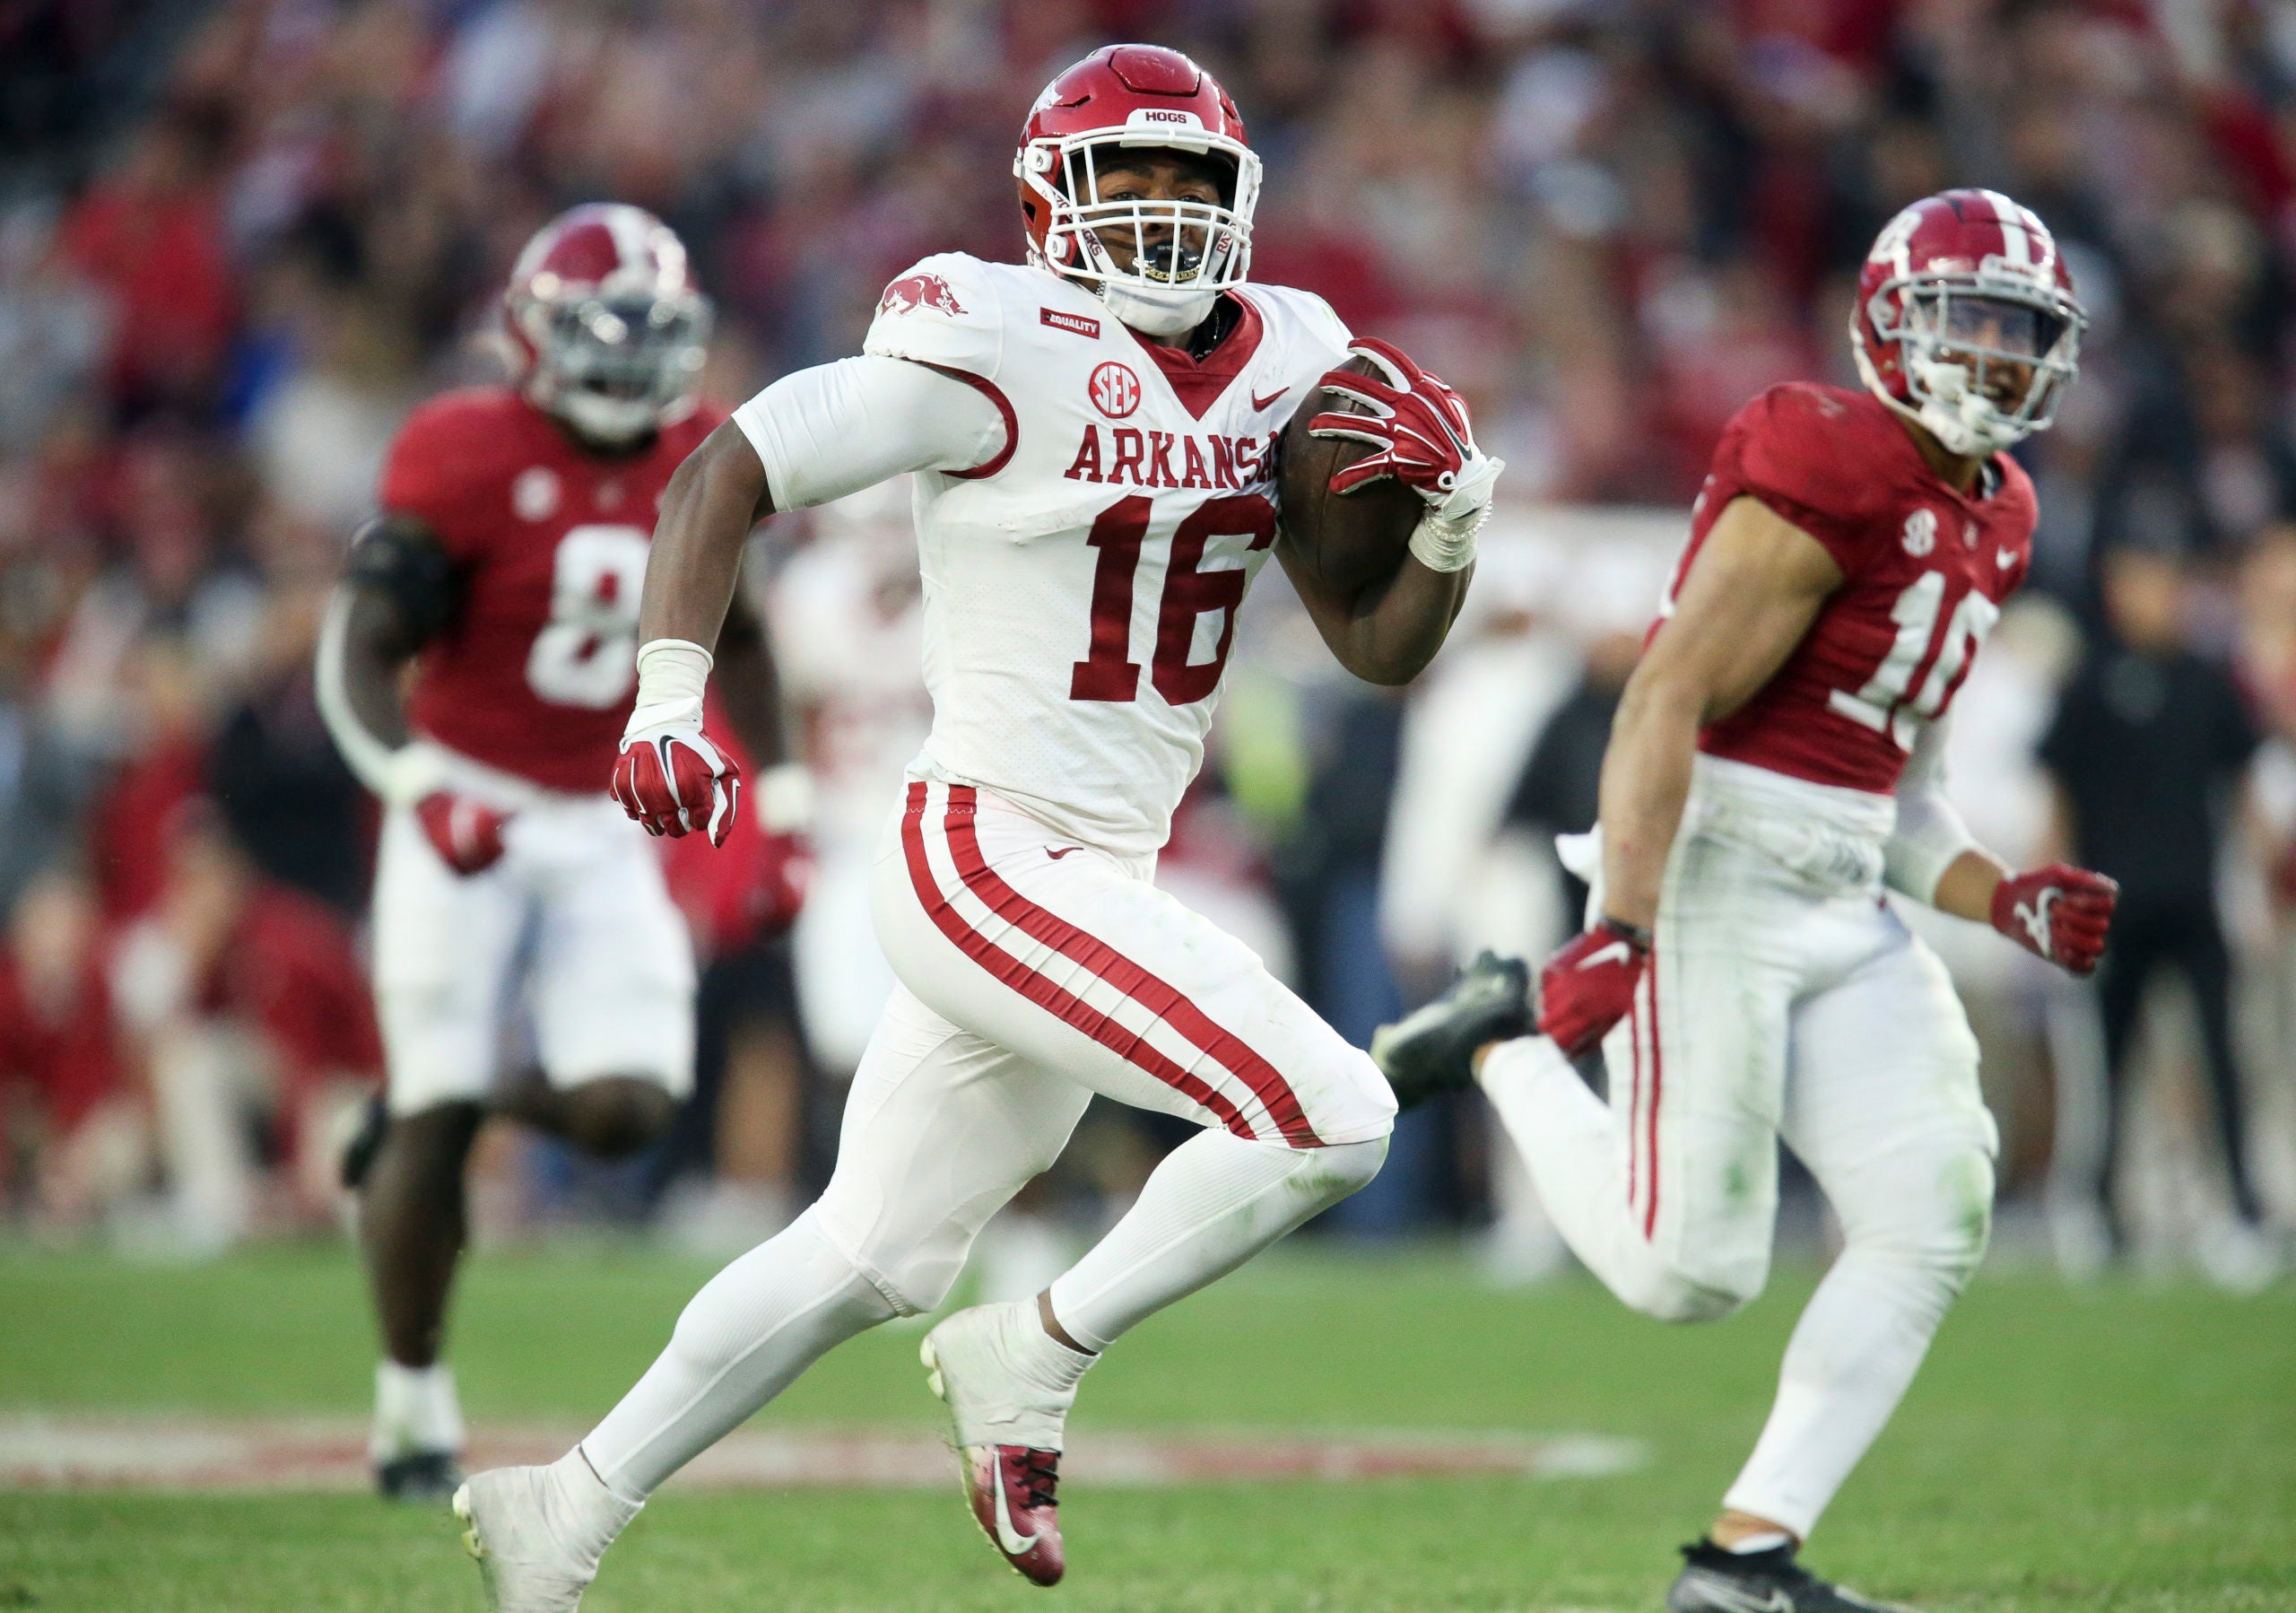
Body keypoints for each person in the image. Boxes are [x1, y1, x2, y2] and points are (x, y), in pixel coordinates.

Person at [448, 45, 1499, 1608]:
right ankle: (1033, 1351)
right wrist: (671, 697)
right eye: (1121, 178)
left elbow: (1373, 638)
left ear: (1241, 196)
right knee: (1333, 1113)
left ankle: (565, 1503)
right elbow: (728, 463)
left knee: (870, 1254)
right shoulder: (993, 338)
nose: (1157, 211)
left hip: (1092, 866)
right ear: (1043, 199)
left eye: (1187, 178)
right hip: (989, 850)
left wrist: (1453, 527)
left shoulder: (1295, 355)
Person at [1373, 190, 2119, 1612]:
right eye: (1970, 317)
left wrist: (1999, 895)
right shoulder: (1827, 452)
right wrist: (1623, 928)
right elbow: (1667, 691)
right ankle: (1504, 1040)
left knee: (1934, 1205)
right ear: (1891, 323)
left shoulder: (2005, 510)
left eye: (2024, 331)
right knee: (1687, 1274)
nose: (2000, 355)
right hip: (1712, 869)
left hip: (1844, 895)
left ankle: (1746, 1559)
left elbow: (1894, 793)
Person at [315, 204, 809, 1503]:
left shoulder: (698, 451)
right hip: (465, 796)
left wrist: (790, 810)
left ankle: (452, 1100)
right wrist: (421, 783)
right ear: (535, 336)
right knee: (431, 1094)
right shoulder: (461, 448)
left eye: (658, 337)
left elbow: (742, 640)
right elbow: (358, 649)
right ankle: (411, 1404)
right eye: (608, 335)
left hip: (600, 815)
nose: (636, 365)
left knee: (631, 1105)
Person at [2039, 542, 2277, 1286]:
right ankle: (2097, 1213)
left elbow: (2243, 788)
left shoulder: (2208, 681)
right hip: (2113, 909)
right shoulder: (2089, 681)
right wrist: (2057, 895)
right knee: (2105, 1065)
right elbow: (2059, 793)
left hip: (2196, 900)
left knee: (2222, 1060)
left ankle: (2240, 1211)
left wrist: (2259, 886)